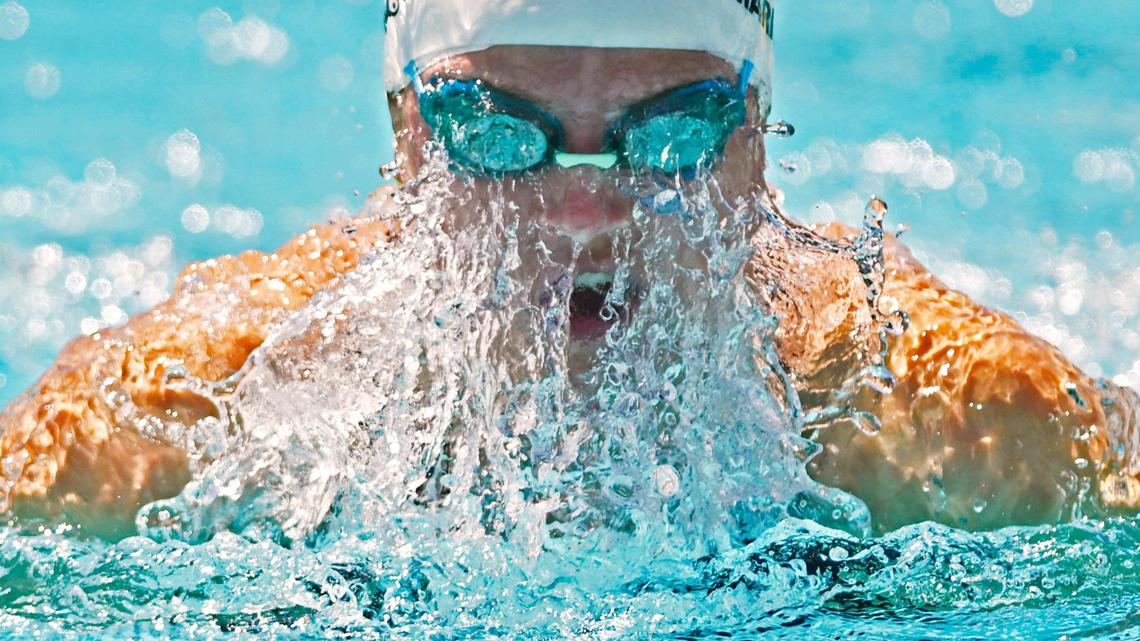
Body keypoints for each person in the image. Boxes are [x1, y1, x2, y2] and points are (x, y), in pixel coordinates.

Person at [0, 0, 1137, 540]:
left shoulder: (946, 415)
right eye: (498, 133)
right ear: (408, 143)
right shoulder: (185, 417)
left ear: (756, 145)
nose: (586, 209)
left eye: (673, 133)